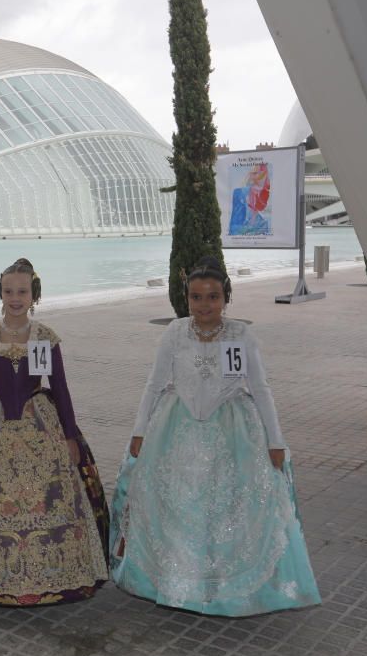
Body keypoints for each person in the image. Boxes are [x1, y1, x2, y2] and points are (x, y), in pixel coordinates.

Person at [110, 256, 321, 616]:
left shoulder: (241, 335)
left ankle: (223, 585)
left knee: (230, 507)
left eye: (212, 297)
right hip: (177, 430)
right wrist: (139, 431)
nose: (204, 305)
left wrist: (276, 441)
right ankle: (181, 585)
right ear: (186, 299)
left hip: (233, 432)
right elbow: (154, 384)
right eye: (196, 297)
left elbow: (261, 387)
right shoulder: (174, 333)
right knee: (179, 505)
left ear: (225, 298)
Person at [0, 258, 110, 606]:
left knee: (45, 494)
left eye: (22, 291)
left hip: (40, 424)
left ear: (34, 294)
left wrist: (68, 435)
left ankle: (50, 572)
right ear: (0, 292)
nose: (15, 298)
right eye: (8, 291)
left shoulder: (45, 337)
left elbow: (60, 388)